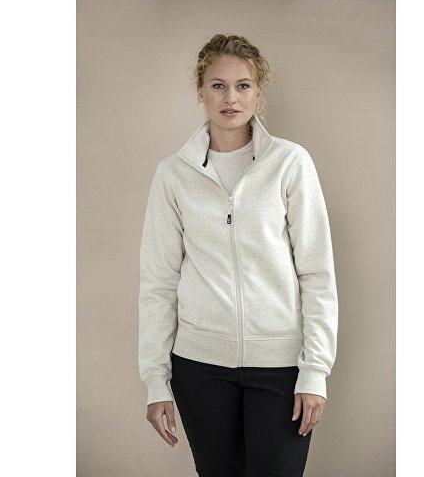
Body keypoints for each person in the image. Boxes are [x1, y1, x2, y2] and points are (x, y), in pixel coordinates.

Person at [138, 33, 339, 477]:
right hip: (199, 368)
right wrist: (156, 379)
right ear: (200, 91)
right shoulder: (173, 174)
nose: (231, 97)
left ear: (258, 91)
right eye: (218, 85)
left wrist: (315, 370)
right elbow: (159, 281)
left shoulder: (290, 163)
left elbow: (317, 273)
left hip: (280, 366)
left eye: (243, 85)